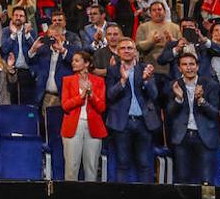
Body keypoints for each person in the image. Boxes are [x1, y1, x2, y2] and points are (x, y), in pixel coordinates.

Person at [105, 37, 160, 183]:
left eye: (130, 48)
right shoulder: (112, 71)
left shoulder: (145, 69)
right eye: (123, 48)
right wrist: (122, 81)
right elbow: (110, 95)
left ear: (135, 51)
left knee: (144, 164)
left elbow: (154, 95)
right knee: (122, 164)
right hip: (122, 123)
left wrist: (147, 80)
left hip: (143, 122)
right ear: (117, 52)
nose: (127, 51)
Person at [166, 51, 220, 185]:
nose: (189, 67)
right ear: (179, 68)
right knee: (182, 178)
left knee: (206, 180)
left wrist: (201, 101)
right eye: (184, 65)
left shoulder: (210, 84)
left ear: (197, 67)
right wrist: (178, 98)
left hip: (204, 136)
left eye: (192, 64)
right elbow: (169, 113)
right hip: (182, 136)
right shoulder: (174, 85)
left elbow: (215, 113)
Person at [59, 50, 106, 181]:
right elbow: (65, 105)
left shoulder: (98, 81)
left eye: (77, 60)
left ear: (86, 63)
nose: (73, 63)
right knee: (71, 167)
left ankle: (90, 198)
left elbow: (101, 107)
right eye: (73, 60)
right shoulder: (67, 81)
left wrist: (91, 95)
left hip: (93, 127)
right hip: (73, 126)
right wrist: (81, 96)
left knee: (91, 167)